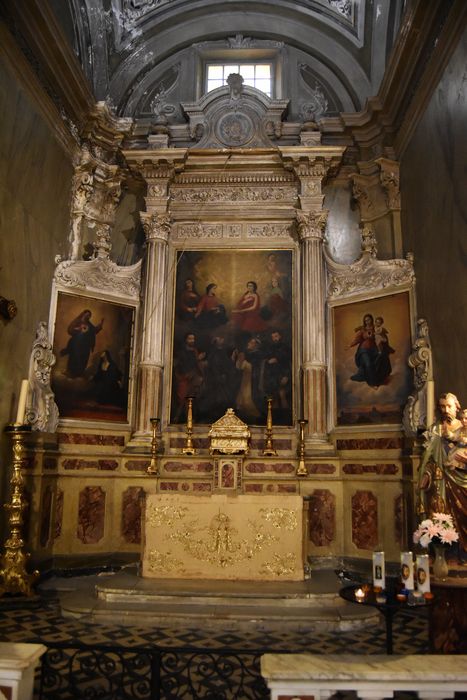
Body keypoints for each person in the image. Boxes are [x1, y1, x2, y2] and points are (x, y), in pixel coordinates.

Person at [418, 392, 467, 553]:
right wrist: (426, 474)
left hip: (462, 482)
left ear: (456, 407)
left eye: (449, 406)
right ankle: (444, 555)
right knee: (440, 518)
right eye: (442, 406)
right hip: (439, 484)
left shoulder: (464, 427)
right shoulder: (435, 430)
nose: (446, 410)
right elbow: (429, 459)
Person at [349, 313, 392, 388]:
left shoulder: (375, 328)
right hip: (364, 350)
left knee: (381, 357)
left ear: (372, 320)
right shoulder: (363, 329)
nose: (367, 322)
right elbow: (357, 339)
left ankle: (379, 378)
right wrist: (350, 345)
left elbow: (383, 335)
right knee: (368, 363)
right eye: (365, 321)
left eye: (368, 320)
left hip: (373, 349)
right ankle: (373, 383)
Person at [60, 309, 104, 378]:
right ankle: (70, 372)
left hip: (85, 346)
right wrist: (79, 329)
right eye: (87, 314)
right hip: (76, 344)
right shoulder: (77, 321)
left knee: (83, 358)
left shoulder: (89, 324)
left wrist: (100, 325)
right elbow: (70, 329)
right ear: (83, 314)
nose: (88, 316)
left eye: (89, 315)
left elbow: (94, 331)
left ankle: (79, 373)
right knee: (75, 357)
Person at [173, 332, 206, 421]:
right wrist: (186, 374)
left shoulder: (195, 351)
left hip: (193, 377)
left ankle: (191, 418)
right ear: (186, 340)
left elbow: (197, 365)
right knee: (182, 397)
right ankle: (178, 417)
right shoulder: (181, 352)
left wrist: (199, 360)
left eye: (193, 339)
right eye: (190, 339)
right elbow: (180, 365)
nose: (192, 340)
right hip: (184, 378)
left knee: (193, 397)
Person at [263, 330, 291, 416]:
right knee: (273, 397)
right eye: (273, 337)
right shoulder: (270, 348)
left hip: (282, 374)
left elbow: (288, 362)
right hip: (272, 376)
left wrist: (286, 376)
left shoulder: (286, 347)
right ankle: (275, 417)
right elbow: (267, 359)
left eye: (276, 336)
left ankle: (286, 415)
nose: (274, 339)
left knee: (282, 395)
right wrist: (268, 361)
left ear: (280, 336)